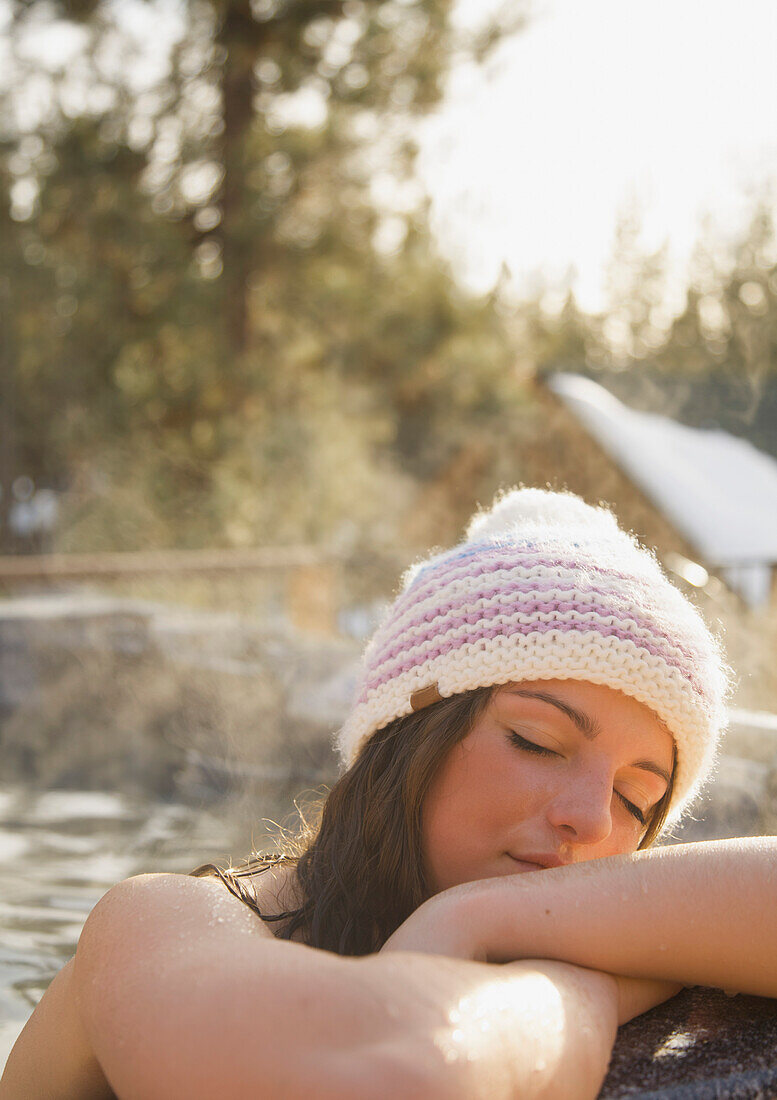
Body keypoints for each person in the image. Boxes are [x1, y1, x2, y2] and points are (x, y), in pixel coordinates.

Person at [2, 487, 776, 1100]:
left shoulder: (492, 905)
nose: (588, 816)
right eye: (535, 742)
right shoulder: (159, 923)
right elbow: (387, 1075)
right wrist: (595, 984)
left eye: (637, 802)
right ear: (404, 736)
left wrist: (479, 916)